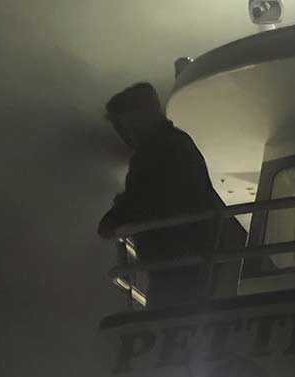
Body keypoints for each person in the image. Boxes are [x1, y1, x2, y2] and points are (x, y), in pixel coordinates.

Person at [97, 81, 232, 307]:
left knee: (165, 326)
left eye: (123, 124)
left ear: (136, 118)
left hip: (179, 262)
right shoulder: (177, 143)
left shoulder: (156, 151)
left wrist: (115, 217)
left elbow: (144, 200)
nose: (124, 133)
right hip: (194, 257)